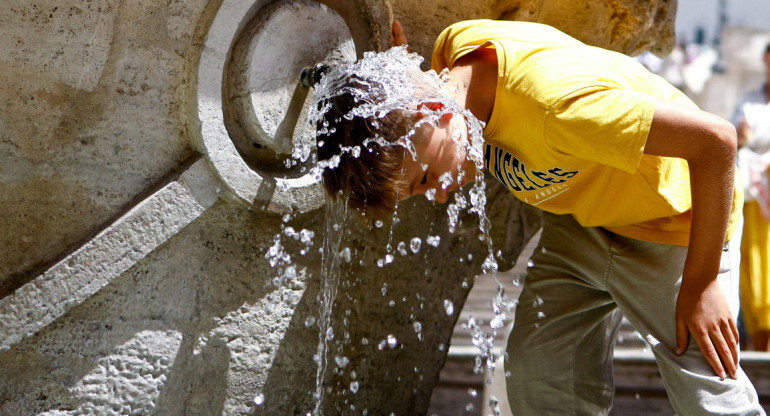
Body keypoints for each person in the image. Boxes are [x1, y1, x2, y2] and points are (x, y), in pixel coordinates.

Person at [313, 19, 764, 415]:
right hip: (581, 227)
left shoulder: (557, 110)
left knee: (709, 396)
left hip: (674, 225)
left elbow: (717, 142)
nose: (436, 195)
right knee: (539, 376)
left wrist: (702, 280)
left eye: (426, 177)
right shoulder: (454, 60)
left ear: (434, 112)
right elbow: (406, 97)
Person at [732, 43, 770, 351]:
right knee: (756, 283)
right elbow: (734, 140)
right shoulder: (748, 104)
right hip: (754, 202)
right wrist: (740, 137)